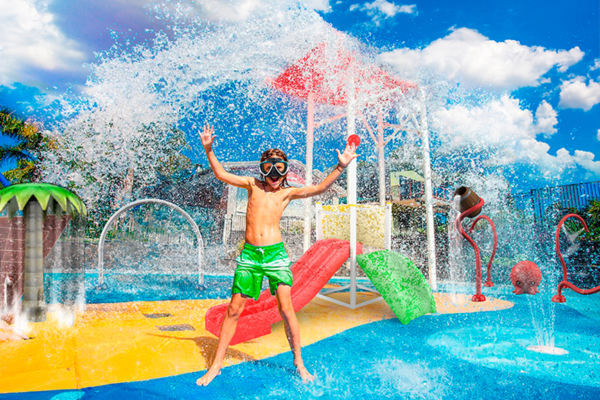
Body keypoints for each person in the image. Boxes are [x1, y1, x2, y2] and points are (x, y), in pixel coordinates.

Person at [196, 124, 358, 386]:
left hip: (275, 256)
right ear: (262, 169)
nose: (274, 175)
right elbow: (221, 174)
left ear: (285, 171)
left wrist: (341, 166)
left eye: (279, 169)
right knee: (234, 309)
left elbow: (319, 188)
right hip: (250, 257)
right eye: (269, 168)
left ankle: (299, 363)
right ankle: (216, 365)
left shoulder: (287, 193)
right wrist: (208, 149)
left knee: (286, 308)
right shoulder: (252, 185)